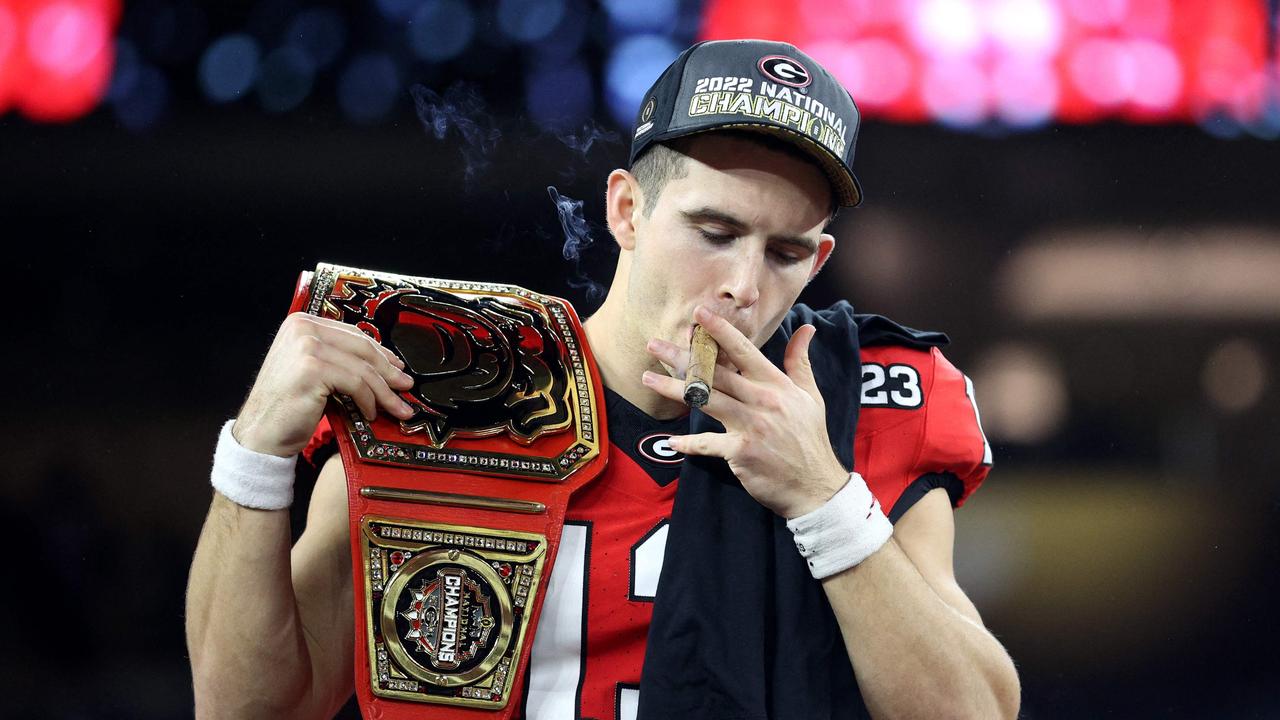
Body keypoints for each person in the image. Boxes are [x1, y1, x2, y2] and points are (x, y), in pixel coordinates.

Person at [186, 39, 1020, 719]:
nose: (743, 283)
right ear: (626, 209)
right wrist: (254, 458)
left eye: (786, 251)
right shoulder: (443, 384)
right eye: (714, 229)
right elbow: (246, 711)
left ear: (821, 259)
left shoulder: (864, 402)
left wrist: (824, 498)